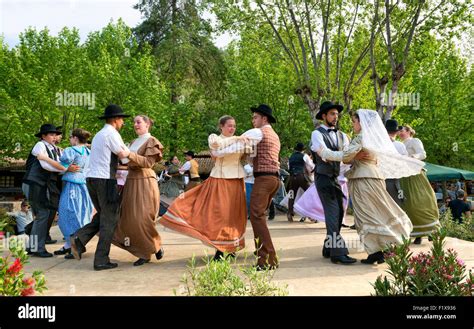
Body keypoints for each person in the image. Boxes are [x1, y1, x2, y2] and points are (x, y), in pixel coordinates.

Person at [317, 109, 424, 264]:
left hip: (363, 178)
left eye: (354, 121)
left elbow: (346, 158)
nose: (352, 124)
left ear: (361, 122)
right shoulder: (374, 138)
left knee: (365, 215)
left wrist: (324, 153)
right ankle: (382, 249)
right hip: (375, 176)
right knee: (379, 212)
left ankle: (378, 250)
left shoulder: (360, 137)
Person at [159, 115, 253, 261]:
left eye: (234, 126)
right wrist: (237, 139)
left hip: (237, 180)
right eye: (229, 125)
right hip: (219, 179)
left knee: (235, 214)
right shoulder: (215, 138)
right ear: (221, 126)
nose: (232, 128)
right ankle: (220, 249)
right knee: (219, 214)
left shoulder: (241, 141)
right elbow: (217, 148)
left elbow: (248, 156)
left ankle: (232, 247)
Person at [69, 104, 130, 271]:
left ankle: (79, 239)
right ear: (116, 120)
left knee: (104, 215)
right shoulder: (112, 134)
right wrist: (138, 159)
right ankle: (101, 259)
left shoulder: (99, 135)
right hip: (105, 180)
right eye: (122, 119)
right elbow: (124, 157)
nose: (123, 123)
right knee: (110, 219)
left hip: (91, 179)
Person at [112, 115, 165, 266]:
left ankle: (149, 249)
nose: (135, 125)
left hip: (145, 181)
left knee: (142, 219)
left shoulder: (152, 141)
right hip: (131, 181)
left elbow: (148, 163)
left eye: (138, 122)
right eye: (134, 122)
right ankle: (150, 248)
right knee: (129, 219)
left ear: (147, 124)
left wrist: (129, 154)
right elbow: (127, 163)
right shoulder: (134, 142)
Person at [310, 101, 356, 265]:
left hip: (336, 178)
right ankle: (338, 252)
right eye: (332, 114)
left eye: (337, 114)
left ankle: (328, 248)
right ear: (324, 116)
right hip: (323, 178)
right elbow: (325, 154)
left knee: (338, 215)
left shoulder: (343, 135)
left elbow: (347, 157)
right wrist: (344, 155)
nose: (335, 117)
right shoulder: (316, 134)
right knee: (332, 213)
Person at [37, 128, 94, 260]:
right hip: (84, 186)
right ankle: (70, 244)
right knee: (81, 213)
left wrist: (44, 157)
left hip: (71, 185)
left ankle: (75, 244)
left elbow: (60, 166)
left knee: (67, 215)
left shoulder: (70, 151)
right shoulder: (88, 151)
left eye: (70, 137)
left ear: (75, 138)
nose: (69, 139)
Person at [22, 124, 64, 257]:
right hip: (34, 183)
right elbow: (46, 166)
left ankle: (31, 245)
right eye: (51, 134)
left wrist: (62, 166)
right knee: (43, 214)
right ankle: (38, 248)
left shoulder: (53, 148)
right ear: (43, 136)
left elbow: (58, 164)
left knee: (45, 213)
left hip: (41, 184)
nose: (54, 136)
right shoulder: (40, 145)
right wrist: (64, 168)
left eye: (55, 134)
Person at [248, 104, 281, 270]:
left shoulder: (259, 132)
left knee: (256, 217)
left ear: (264, 118)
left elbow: (244, 148)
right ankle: (266, 255)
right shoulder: (273, 135)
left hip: (264, 179)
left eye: (255, 117)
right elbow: (253, 156)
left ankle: (267, 259)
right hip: (273, 178)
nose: (252, 120)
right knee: (259, 217)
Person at [398, 125, 440, 244]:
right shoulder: (399, 144)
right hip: (404, 176)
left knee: (422, 201)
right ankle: (418, 235)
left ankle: (432, 230)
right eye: (399, 131)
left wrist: (411, 157)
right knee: (409, 204)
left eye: (402, 131)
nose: (400, 133)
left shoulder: (414, 141)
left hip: (416, 175)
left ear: (408, 131)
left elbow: (422, 154)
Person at [286, 142, 314, 222]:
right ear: (303, 150)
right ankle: (310, 215)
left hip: (292, 177)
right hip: (301, 176)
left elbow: (289, 166)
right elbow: (312, 166)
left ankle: (290, 213)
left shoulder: (291, 156)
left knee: (291, 195)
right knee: (309, 194)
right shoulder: (305, 156)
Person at [384, 119, 407, 207]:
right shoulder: (400, 146)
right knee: (396, 208)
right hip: (394, 181)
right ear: (397, 132)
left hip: (378, 180)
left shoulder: (378, 144)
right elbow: (405, 164)